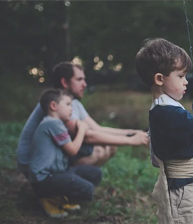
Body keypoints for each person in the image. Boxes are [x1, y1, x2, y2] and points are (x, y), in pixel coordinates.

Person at [135, 38, 193, 224]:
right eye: (181, 76)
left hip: (185, 186)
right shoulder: (166, 112)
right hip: (182, 191)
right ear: (159, 79)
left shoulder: (166, 108)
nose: (186, 81)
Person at [17, 61, 149, 176]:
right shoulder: (58, 105)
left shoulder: (73, 103)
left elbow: (97, 128)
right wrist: (131, 141)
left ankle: (75, 184)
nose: (85, 84)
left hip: (52, 156)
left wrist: (133, 132)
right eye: (79, 80)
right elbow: (88, 136)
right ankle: (62, 189)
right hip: (33, 163)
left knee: (109, 147)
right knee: (98, 150)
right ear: (64, 82)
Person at [28, 89, 102, 218]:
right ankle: (49, 199)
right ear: (53, 106)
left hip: (57, 174)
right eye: (67, 104)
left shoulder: (55, 123)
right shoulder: (52, 123)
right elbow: (73, 149)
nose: (71, 109)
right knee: (87, 189)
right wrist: (82, 130)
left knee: (95, 173)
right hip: (44, 179)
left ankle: (60, 197)